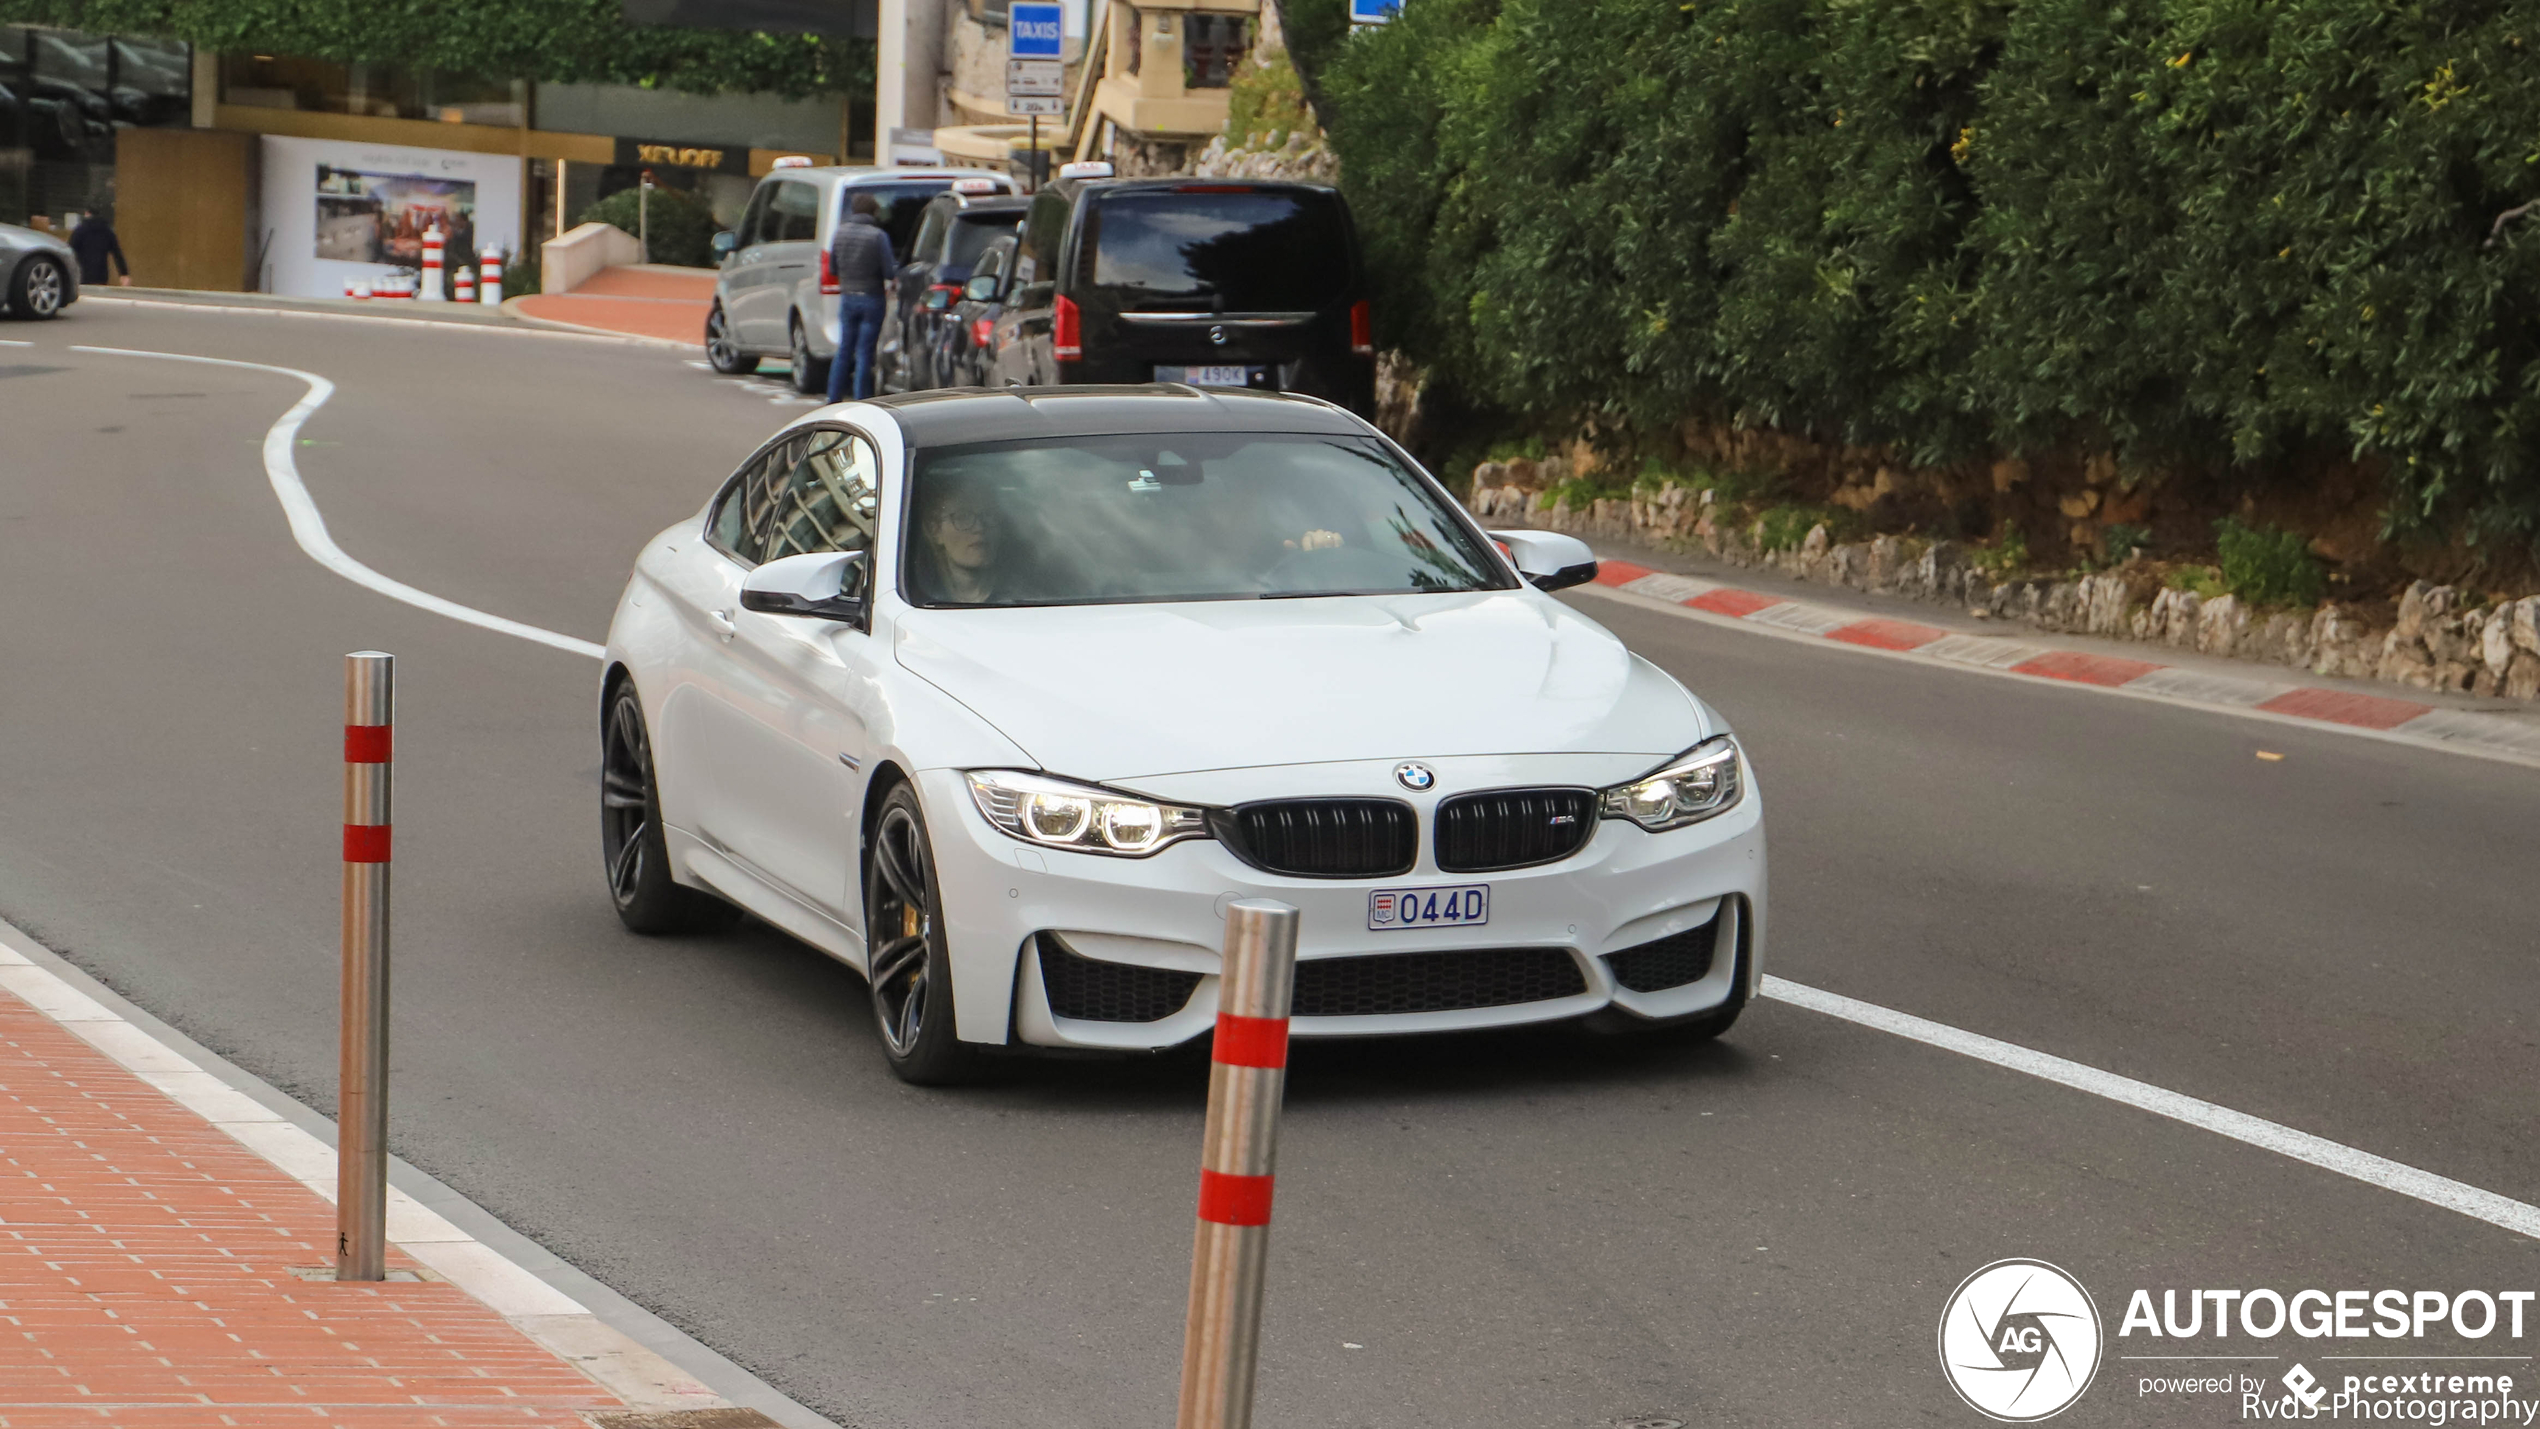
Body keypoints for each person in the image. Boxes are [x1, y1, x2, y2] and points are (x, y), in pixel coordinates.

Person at [826, 193, 895, 403]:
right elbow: (889, 272)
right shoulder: (877, 236)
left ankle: (833, 397)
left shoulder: (839, 234)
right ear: (872, 211)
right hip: (871, 297)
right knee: (865, 353)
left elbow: (833, 268)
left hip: (848, 297)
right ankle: (861, 400)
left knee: (844, 349)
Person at [911, 478, 1001, 603]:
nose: (979, 527)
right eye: (963, 517)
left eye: (988, 515)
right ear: (935, 530)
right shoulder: (915, 597)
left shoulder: (1026, 593)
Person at [68, 211, 130, 287]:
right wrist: (124, 273)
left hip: (83, 274)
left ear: (87, 214)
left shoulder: (79, 231)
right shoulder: (107, 232)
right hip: (101, 275)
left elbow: (70, 253)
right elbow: (117, 254)